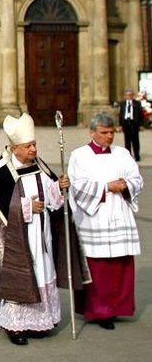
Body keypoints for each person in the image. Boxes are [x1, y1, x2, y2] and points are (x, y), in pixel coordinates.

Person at [0, 113, 87, 345]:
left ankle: (39, 322)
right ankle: (15, 326)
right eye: (28, 146)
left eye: (34, 145)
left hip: (40, 233)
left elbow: (53, 196)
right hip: (17, 239)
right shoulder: (2, 173)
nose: (34, 150)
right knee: (22, 277)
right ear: (15, 148)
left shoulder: (39, 165)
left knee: (42, 272)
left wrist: (59, 187)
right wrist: (26, 207)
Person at [68, 113, 143, 330]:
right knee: (98, 268)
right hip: (95, 217)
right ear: (92, 133)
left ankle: (118, 307)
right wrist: (106, 187)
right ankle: (99, 311)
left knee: (120, 265)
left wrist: (126, 185)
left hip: (119, 213)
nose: (109, 137)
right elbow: (77, 185)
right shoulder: (79, 156)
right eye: (104, 133)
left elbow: (137, 178)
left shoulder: (122, 154)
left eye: (112, 132)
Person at [118, 89, 141, 161]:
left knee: (135, 141)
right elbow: (121, 114)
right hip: (126, 123)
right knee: (127, 141)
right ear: (126, 96)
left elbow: (140, 114)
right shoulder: (122, 103)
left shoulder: (137, 103)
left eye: (131, 95)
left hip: (134, 123)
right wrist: (120, 125)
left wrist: (140, 124)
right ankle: (128, 155)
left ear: (133, 95)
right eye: (128, 95)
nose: (129, 96)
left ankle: (137, 155)